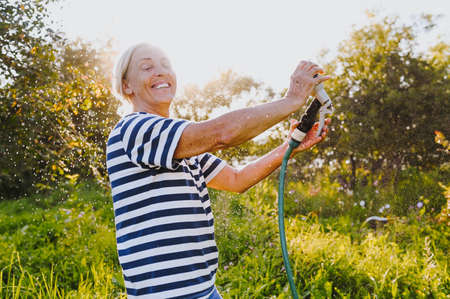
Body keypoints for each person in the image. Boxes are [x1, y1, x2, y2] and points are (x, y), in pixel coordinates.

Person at [106, 42, 330, 299]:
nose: (160, 72)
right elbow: (222, 134)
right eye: (147, 67)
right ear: (126, 86)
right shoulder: (134, 129)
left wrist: (289, 147)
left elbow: (237, 179)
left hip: (204, 290)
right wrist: (291, 100)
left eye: (166, 65)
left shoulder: (180, 145)